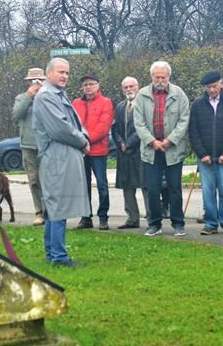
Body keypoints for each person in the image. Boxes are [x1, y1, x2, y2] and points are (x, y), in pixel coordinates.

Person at [32, 58, 89, 267]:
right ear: (49, 74)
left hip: (62, 156)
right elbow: (60, 128)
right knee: (58, 207)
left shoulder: (56, 94)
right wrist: (83, 142)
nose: (65, 76)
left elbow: (75, 123)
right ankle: (59, 257)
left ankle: (52, 254)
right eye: (60, 72)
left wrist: (85, 136)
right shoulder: (47, 96)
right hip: (56, 158)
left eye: (67, 72)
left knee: (55, 207)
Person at [133, 61, 190, 237]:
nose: (160, 80)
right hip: (150, 151)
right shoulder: (142, 95)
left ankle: (178, 224)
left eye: (163, 77)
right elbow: (139, 123)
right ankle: (154, 224)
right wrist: (152, 141)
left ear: (168, 77)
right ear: (151, 77)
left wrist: (170, 140)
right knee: (152, 189)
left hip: (173, 150)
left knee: (175, 188)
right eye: (156, 77)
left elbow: (184, 120)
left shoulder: (179, 94)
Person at [189, 71, 223, 235]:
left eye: (214, 86)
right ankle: (210, 224)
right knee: (208, 191)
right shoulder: (198, 105)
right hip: (205, 157)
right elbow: (193, 131)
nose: (212, 90)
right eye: (209, 87)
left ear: (221, 84)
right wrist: (201, 154)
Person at [72, 73, 114, 230]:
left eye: (91, 84)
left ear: (97, 85)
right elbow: (71, 123)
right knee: (83, 185)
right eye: (85, 85)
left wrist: (86, 141)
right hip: (80, 151)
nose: (88, 87)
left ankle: (103, 217)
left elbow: (103, 127)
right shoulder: (76, 103)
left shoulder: (106, 102)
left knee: (102, 184)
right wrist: (80, 142)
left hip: (98, 151)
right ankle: (86, 217)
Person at [112, 76, 148, 229]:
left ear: (137, 87)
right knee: (127, 186)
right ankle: (132, 218)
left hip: (141, 151)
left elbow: (144, 127)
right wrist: (120, 142)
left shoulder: (145, 104)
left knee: (145, 185)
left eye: (131, 86)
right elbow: (114, 128)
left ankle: (152, 218)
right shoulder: (120, 106)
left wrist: (129, 143)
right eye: (125, 87)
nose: (129, 90)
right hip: (124, 153)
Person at [12, 67, 47, 226]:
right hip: (28, 146)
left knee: (48, 180)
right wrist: (29, 96)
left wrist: (43, 93)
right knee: (34, 180)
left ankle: (51, 212)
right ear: (28, 82)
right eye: (33, 81)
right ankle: (39, 212)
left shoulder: (49, 96)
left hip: (46, 145)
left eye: (40, 80)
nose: (37, 83)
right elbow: (16, 115)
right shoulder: (21, 97)